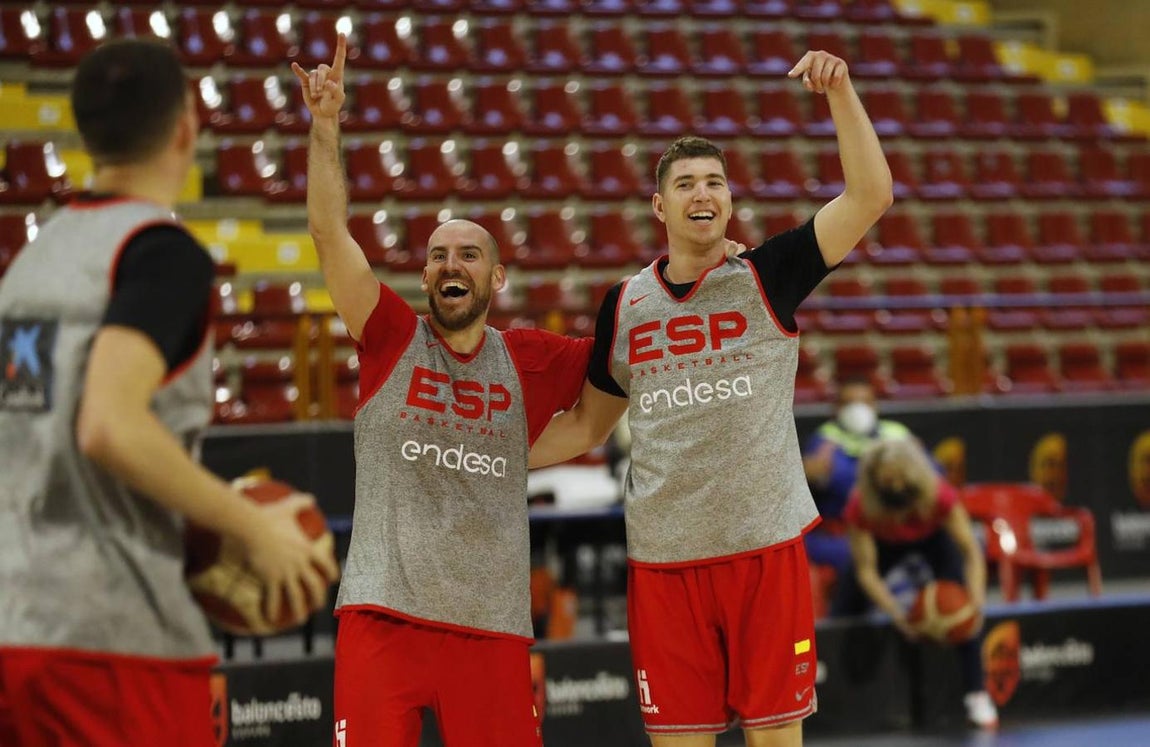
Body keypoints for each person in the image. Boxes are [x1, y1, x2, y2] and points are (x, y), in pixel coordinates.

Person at [528, 50, 893, 746]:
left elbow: (871, 195)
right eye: (687, 182)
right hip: (665, 565)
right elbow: (585, 427)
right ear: (659, 205)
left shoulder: (771, 273)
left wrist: (841, 91)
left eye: (716, 182)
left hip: (763, 552)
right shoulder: (625, 305)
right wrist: (486, 456)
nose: (704, 192)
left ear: (730, 201)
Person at [0, 39, 338, 747]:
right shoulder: (159, 251)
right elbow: (108, 426)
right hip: (112, 636)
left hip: (17, 625)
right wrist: (253, 528)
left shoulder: (33, 261)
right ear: (188, 126)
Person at [291, 36, 594, 747]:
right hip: (382, 616)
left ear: (497, 279)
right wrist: (326, 125)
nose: (449, 264)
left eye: (468, 255)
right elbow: (327, 231)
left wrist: (703, 264)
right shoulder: (390, 334)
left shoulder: (530, 358)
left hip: (489, 625)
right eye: (436, 255)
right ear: (426, 276)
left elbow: (604, 393)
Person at [833, 439, 998, 729]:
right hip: (883, 544)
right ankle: (833, 691)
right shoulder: (861, 505)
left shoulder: (939, 495)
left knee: (964, 609)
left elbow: (971, 551)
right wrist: (896, 614)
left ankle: (977, 694)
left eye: (901, 479)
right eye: (888, 481)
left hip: (931, 538)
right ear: (874, 481)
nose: (896, 486)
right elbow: (867, 571)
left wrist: (976, 601)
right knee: (847, 599)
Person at [802, 377, 912, 575]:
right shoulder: (826, 438)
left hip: (894, 529)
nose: (857, 409)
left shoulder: (897, 434)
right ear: (836, 408)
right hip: (841, 536)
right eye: (849, 403)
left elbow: (934, 479)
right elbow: (838, 483)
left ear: (875, 406)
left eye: (864, 402)